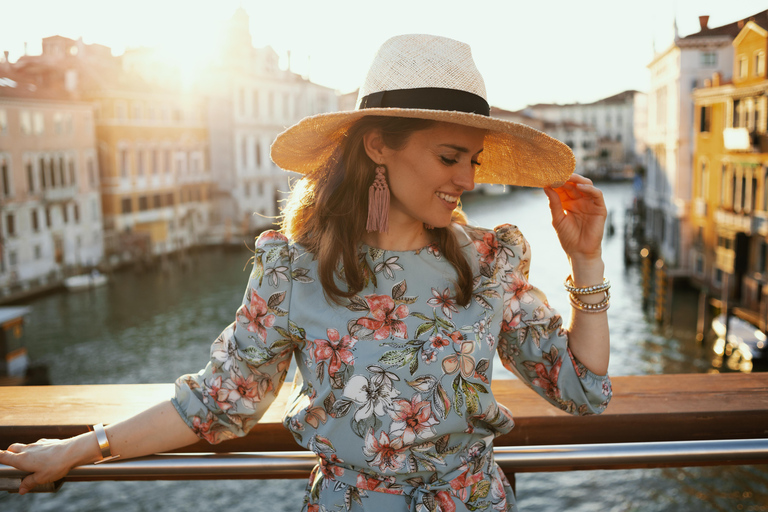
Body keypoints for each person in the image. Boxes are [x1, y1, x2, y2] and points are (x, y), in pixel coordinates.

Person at [0, 34, 611, 511]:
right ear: (378, 146)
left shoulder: (489, 258)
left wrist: (586, 257)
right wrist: (80, 449)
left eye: (473, 160)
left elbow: (582, 391)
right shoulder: (291, 268)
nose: (469, 180)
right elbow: (220, 399)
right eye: (449, 157)